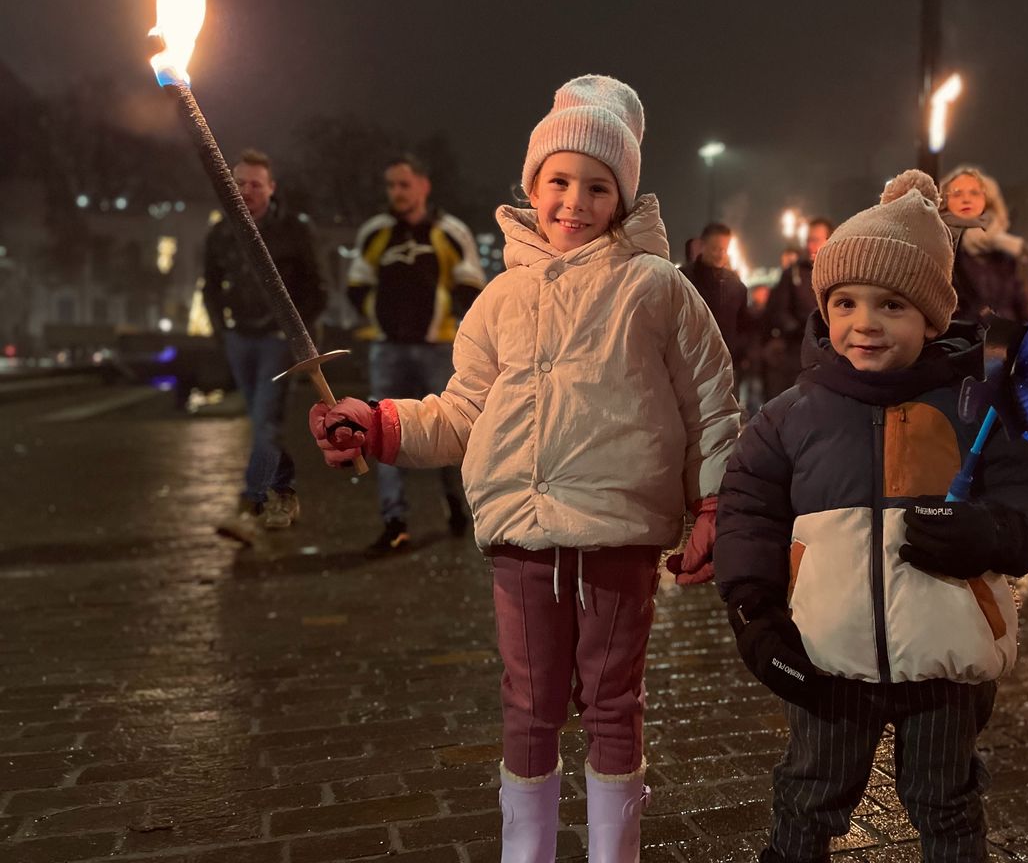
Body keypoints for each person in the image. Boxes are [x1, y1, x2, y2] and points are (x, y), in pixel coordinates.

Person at [311, 76, 740, 861]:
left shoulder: (660, 289)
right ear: (532, 186)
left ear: (623, 196)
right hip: (521, 535)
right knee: (529, 704)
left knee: (613, 703)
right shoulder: (499, 299)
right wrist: (378, 425)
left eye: (597, 186)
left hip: (618, 533)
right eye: (558, 182)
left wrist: (713, 506)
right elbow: (463, 411)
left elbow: (712, 406)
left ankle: (616, 853)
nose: (574, 201)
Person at [715, 170, 1028, 863]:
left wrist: (993, 531)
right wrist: (754, 611)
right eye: (845, 302)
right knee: (808, 793)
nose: (864, 323)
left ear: (933, 318)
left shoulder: (974, 410)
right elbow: (748, 511)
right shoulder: (788, 418)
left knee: (947, 801)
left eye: (892, 305)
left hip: (945, 658)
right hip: (827, 656)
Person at [347, 154, 487, 554]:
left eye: (403, 184)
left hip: (438, 349)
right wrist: (381, 316)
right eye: (391, 185)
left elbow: (471, 284)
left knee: (453, 430)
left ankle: (459, 506)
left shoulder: (450, 231)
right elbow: (356, 283)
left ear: (423, 185)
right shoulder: (375, 232)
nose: (396, 193)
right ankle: (395, 520)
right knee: (380, 431)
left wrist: (445, 319)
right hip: (387, 348)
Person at [204, 149, 326, 543]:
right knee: (262, 423)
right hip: (241, 337)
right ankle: (284, 491)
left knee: (267, 420)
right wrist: (221, 329)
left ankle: (250, 504)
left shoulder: (293, 230)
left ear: (271, 188)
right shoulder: (222, 232)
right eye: (239, 183)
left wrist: (294, 331)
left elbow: (316, 288)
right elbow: (210, 284)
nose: (246, 190)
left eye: (255, 184)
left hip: (276, 340)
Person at [938, 165, 1028, 323]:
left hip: (1005, 339)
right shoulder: (940, 241)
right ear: (945, 199)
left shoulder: (1004, 249)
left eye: (975, 193)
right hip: (960, 339)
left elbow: (1021, 305)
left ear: (987, 199)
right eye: (957, 193)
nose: (966, 199)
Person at [762, 218, 833, 400]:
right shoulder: (793, 274)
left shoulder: (838, 272)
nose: (810, 245)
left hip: (832, 355)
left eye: (816, 239)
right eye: (808, 240)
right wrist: (800, 330)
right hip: (797, 354)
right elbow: (777, 311)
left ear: (830, 239)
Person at [680, 222, 752, 380]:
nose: (720, 254)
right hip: (691, 367)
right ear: (703, 246)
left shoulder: (736, 284)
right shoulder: (683, 279)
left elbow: (744, 325)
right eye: (715, 248)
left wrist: (739, 352)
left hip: (727, 368)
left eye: (724, 249)